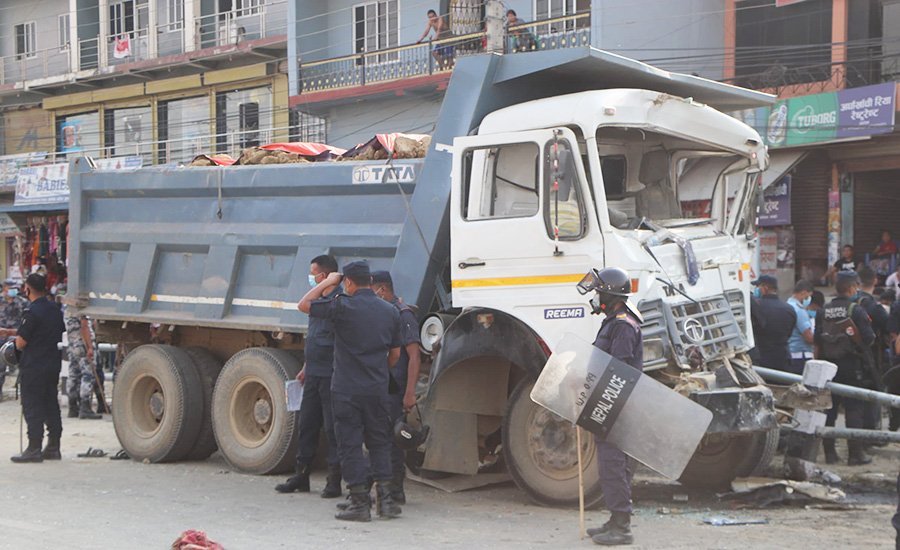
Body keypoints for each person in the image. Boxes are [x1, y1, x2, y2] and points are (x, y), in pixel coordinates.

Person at [300, 261, 402, 522]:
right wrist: (377, 372)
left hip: (346, 389)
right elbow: (395, 354)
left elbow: (304, 305)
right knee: (379, 443)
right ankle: (387, 502)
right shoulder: (390, 311)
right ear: (370, 280)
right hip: (377, 389)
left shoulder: (342, 305)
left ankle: (359, 502)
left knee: (351, 445)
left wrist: (327, 282)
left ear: (348, 282)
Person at [581, 267, 642, 546]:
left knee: (614, 465)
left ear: (609, 294)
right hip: (609, 404)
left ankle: (622, 527)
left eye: (597, 292)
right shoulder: (613, 322)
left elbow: (619, 370)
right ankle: (615, 519)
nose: (595, 297)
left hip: (615, 406)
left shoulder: (622, 325)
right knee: (611, 465)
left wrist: (601, 402)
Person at [276, 255, 343, 497]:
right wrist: (306, 365)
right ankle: (301, 476)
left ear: (324, 277)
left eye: (313, 274)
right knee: (307, 426)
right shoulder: (320, 300)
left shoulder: (337, 301)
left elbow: (339, 342)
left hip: (331, 376)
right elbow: (316, 338)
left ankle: (334, 481)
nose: (310, 279)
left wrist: (325, 286)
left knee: (333, 430)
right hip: (313, 373)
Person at [371, 271, 421, 505]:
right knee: (380, 437)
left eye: (371, 291)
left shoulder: (403, 314)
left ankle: (395, 489)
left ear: (382, 289)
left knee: (392, 440)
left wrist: (410, 393)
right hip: (382, 386)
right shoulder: (384, 313)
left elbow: (414, 356)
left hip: (396, 388)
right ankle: (385, 488)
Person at [816, 271, 876, 466]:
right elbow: (869, 339)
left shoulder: (823, 311)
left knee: (829, 410)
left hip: (828, 368)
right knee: (854, 410)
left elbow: (817, 342)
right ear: (852, 288)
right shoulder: (856, 310)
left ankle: (830, 454)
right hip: (852, 367)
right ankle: (855, 454)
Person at [10, 273, 66, 463]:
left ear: (27, 289)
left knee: (32, 405)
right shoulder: (55, 310)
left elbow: (20, 343)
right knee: (50, 403)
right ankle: (53, 446)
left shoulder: (31, 311)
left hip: (33, 366)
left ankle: (34, 448)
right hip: (52, 364)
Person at [750, 275, 796, 371]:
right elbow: (789, 333)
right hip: (783, 357)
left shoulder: (757, 307)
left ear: (765, 288)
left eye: (758, 287)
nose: (757, 289)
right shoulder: (789, 309)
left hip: (762, 358)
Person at [64, 311, 102, 420]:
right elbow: (84, 326)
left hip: (72, 345)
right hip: (82, 345)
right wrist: (90, 347)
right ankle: (85, 407)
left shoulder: (68, 308)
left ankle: (72, 406)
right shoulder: (80, 308)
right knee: (87, 375)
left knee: (73, 375)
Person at [0, 279, 28, 400]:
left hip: (17, 337)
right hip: (1, 337)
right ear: (4, 288)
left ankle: (24, 392)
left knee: (22, 365)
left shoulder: (23, 302)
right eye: (10, 287)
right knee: (0, 367)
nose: (13, 290)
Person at [786, 280, 815, 375]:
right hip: (801, 356)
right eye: (808, 296)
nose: (808, 299)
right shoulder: (799, 310)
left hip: (790, 353)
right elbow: (809, 338)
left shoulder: (787, 306)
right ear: (804, 293)